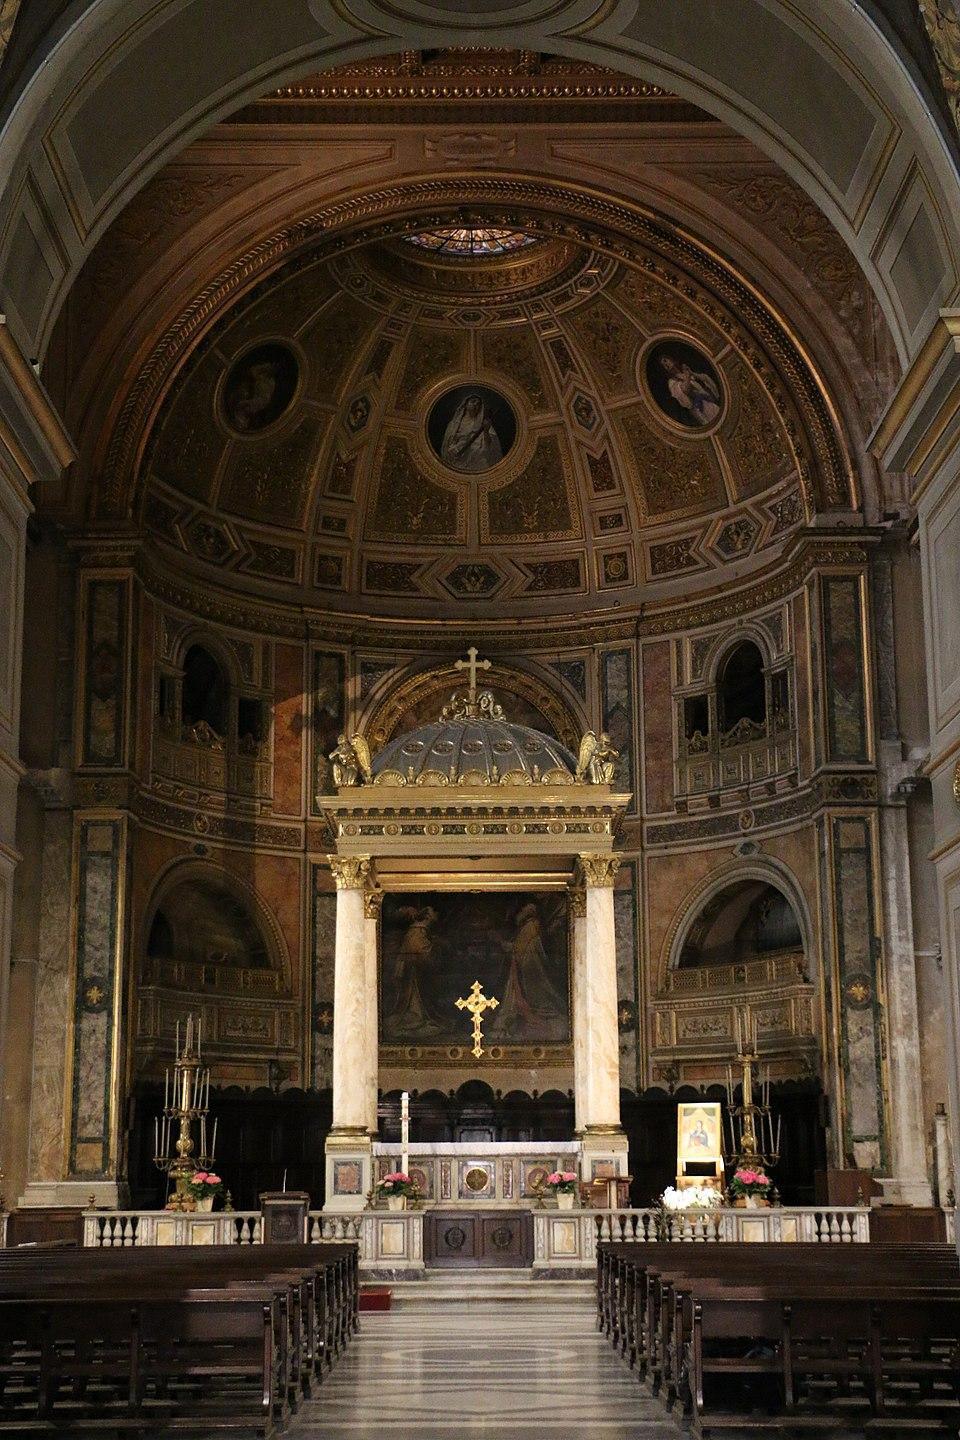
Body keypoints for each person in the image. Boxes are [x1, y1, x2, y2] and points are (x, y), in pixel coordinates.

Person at [490, 902, 567, 1042]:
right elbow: (517, 949)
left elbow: (519, 950)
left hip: (532, 972)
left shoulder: (530, 927)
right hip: (527, 973)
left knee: (538, 998)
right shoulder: (529, 928)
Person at [386, 906, 443, 1038]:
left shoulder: (421, 930)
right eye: (434, 911)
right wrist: (436, 947)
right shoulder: (417, 931)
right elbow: (420, 951)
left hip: (417, 971)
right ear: (427, 916)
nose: (437, 914)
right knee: (414, 1003)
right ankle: (415, 1017)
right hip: (412, 973)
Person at [440, 393, 503, 472]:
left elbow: (490, 445)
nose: (475, 405)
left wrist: (486, 430)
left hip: (477, 458)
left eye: (478, 404)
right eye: (473, 401)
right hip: (457, 458)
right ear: (466, 404)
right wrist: (453, 448)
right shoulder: (454, 424)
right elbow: (447, 443)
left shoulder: (483, 424)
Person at [658, 352, 722, 427]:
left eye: (665, 361)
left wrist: (691, 373)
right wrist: (687, 375)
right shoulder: (672, 382)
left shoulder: (683, 372)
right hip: (699, 407)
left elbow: (704, 378)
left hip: (707, 401)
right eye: (664, 366)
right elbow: (685, 390)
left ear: (671, 359)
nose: (666, 365)